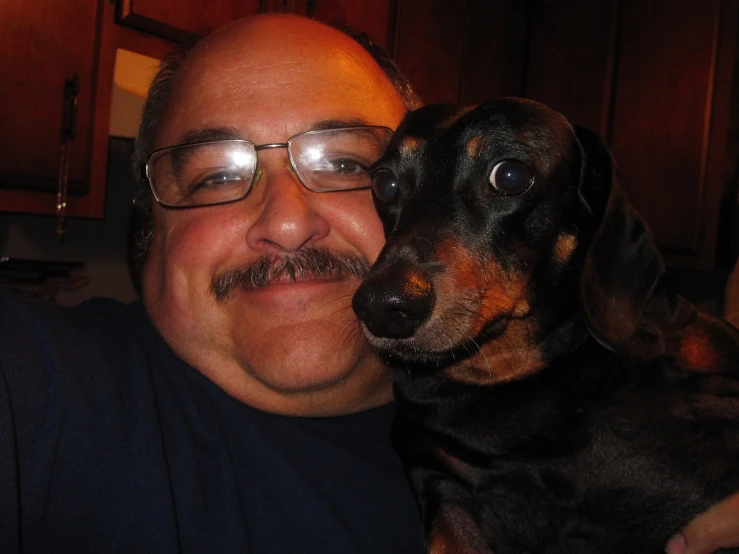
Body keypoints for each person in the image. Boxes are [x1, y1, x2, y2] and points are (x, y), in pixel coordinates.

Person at [0, 13, 736, 554]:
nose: (285, 222)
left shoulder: (654, 394)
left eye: (350, 166)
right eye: (216, 174)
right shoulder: (47, 393)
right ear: (151, 232)